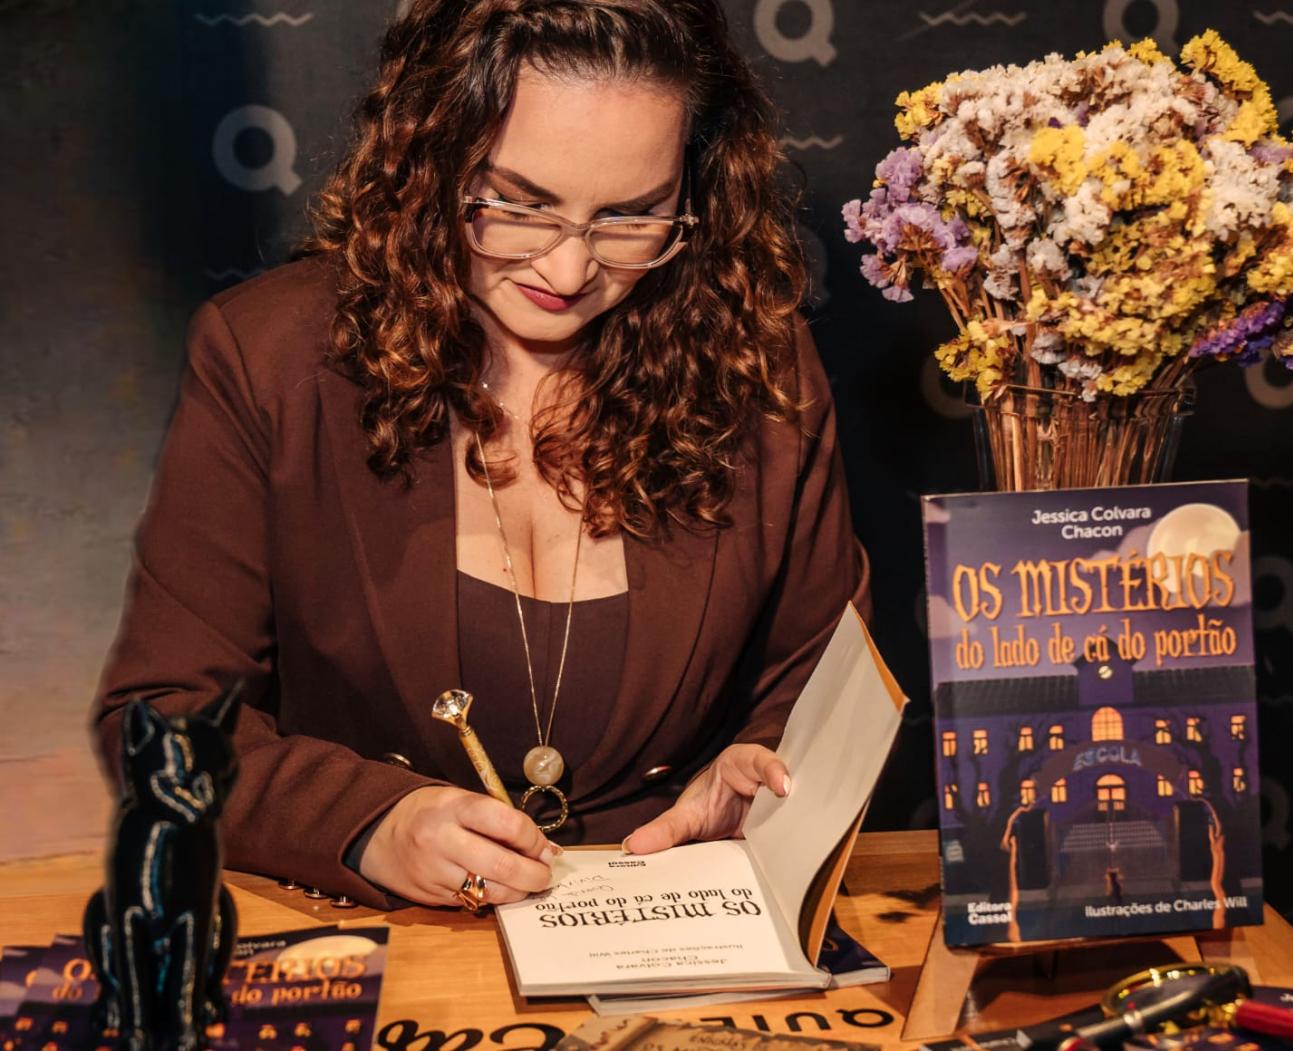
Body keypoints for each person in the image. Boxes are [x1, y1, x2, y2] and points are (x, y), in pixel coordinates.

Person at [90, 0, 869, 913]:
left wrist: (768, 773)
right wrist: (371, 824)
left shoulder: (759, 368)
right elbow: (163, 720)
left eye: (632, 217)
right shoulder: (270, 356)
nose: (571, 271)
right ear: (432, 157)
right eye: (521, 205)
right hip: (385, 943)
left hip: (676, 933)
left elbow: (827, 678)